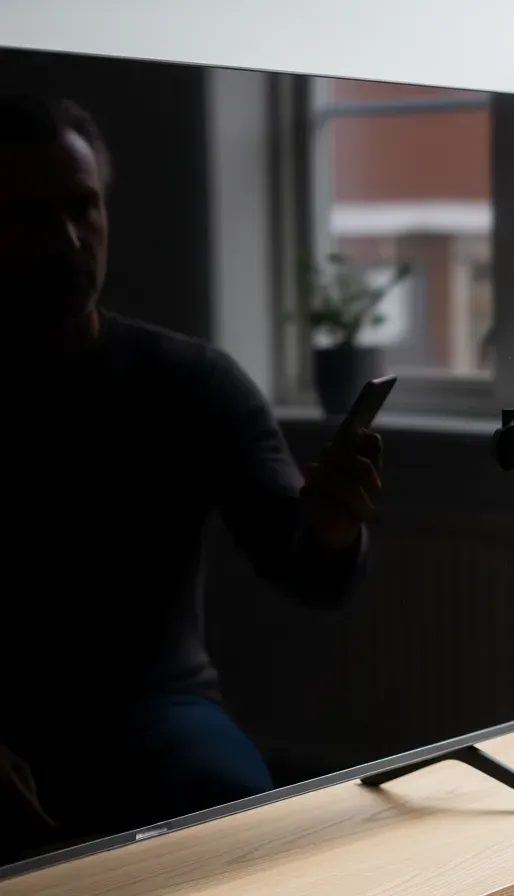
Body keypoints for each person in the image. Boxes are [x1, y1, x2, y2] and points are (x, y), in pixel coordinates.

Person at [0, 92, 384, 863]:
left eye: (84, 208)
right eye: (31, 217)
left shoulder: (193, 381)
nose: (68, 240)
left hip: (159, 707)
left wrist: (336, 529)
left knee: (231, 814)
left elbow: (300, 563)